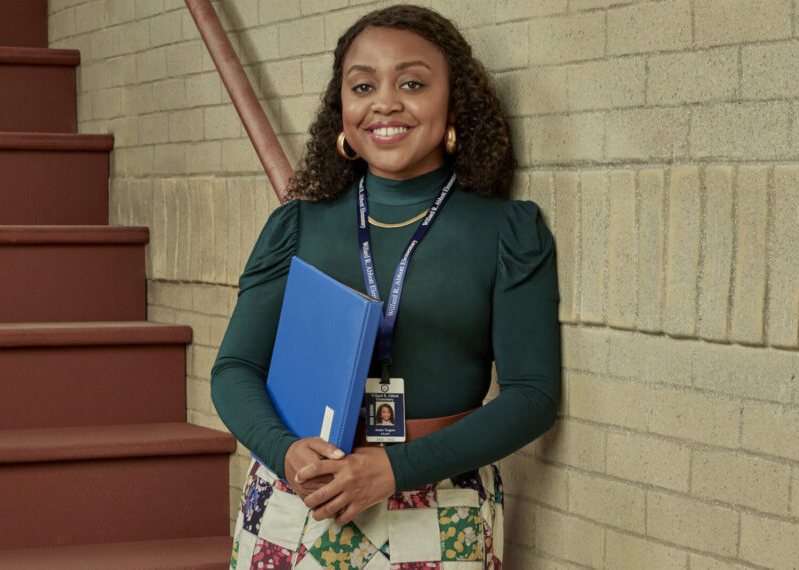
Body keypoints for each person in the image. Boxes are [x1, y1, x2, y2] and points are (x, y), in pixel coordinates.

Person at [211, 5, 560, 568]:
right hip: (299, 495)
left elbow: (533, 397)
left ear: (454, 104)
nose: (385, 102)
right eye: (363, 85)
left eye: (413, 83)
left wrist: (395, 469)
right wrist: (286, 453)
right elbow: (234, 370)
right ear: (342, 109)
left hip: (440, 500)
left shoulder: (505, 232)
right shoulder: (298, 225)